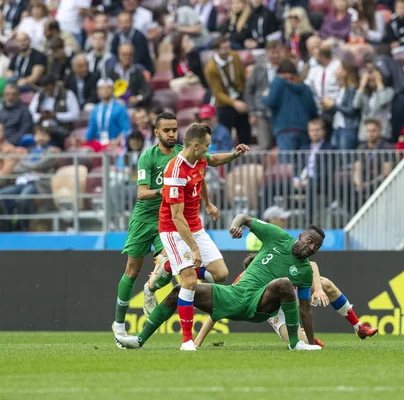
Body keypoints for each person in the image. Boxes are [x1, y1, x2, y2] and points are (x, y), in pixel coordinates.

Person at [111, 116, 249, 342]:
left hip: (172, 221)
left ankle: (154, 283)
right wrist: (165, 189)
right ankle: (118, 323)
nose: (171, 134)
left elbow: (207, 164)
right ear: (156, 133)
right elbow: (141, 193)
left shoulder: (186, 152)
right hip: (145, 218)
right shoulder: (148, 157)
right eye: (166, 130)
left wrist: (208, 200)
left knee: (168, 270)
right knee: (133, 271)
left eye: (174, 129)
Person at [115, 214, 325, 351]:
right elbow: (243, 217)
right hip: (235, 295)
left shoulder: (305, 271)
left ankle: (296, 344)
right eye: (310, 241)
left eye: (317, 246)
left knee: (284, 283)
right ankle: (139, 340)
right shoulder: (278, 236)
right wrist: (235, 226)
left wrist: (312, 341)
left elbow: (305, 309)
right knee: (179, 290)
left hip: (260, 306)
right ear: (300, 236)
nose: (312, 247)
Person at [194, 254, 378, 347]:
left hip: (291, 291)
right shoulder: (242, 283)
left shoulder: (273, 265)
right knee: (300, 344)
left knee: (326, 283)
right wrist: (197, 342)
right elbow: (216, 312)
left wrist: (318, 289)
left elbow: (311, 264)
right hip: (274, 309)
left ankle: (358, 327)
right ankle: (304, 335)